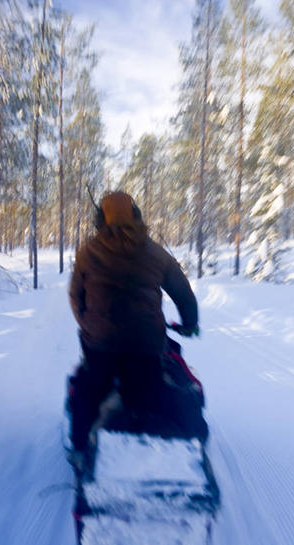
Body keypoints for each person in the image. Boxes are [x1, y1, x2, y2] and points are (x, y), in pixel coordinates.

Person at [68, 191, 199, 469]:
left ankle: (80, 449)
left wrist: (88, 324)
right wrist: (190, 323)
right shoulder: (155, 252)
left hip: (99, 345)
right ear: (137, 215)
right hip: (147, 344)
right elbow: (184, 294)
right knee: (151, 393)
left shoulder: (88, 252)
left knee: (87, 391)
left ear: (99, 219)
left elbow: (75, 295)